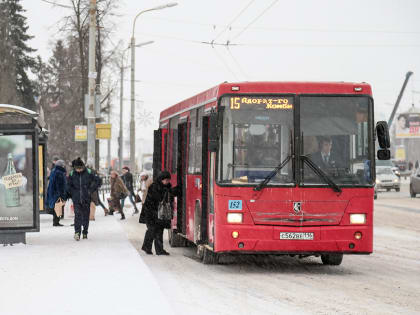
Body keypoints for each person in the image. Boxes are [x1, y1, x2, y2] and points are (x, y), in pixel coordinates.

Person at [141, 170, 180, 255]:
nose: (167, 182)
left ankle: (159, 250)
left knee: (159, 231)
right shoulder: (154, 187)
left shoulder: (166, 187)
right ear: (161, 179)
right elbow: (157, 198)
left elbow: (170, 194)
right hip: (151, 212)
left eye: (168, 180)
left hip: (159, 213)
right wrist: (168, 191)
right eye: (165, 180)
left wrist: (175, 189)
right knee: (152, 230)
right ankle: (147, 247)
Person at [67, 157, 99, 241]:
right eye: (77, 168)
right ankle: (77, 232)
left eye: (80, 168)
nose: (79, 170)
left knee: (85, 216)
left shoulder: (88, 172)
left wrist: (90, 190)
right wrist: (71, 193)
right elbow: (68, 185)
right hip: (76, 198)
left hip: (86, 198)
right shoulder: (72, 173)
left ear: (83, 167)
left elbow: (98, 181)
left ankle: (85, 232)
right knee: (77, 216)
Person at [46, 159, 67, 227]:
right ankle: (56, 222)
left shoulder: (54, 171)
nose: (64, 166)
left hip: (54, 192)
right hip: (57, 193)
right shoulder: (59, 172)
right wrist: (61, 193)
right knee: (58, 207)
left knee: (57, 206)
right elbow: (59, 184)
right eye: (63, 165)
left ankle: (56, 221)